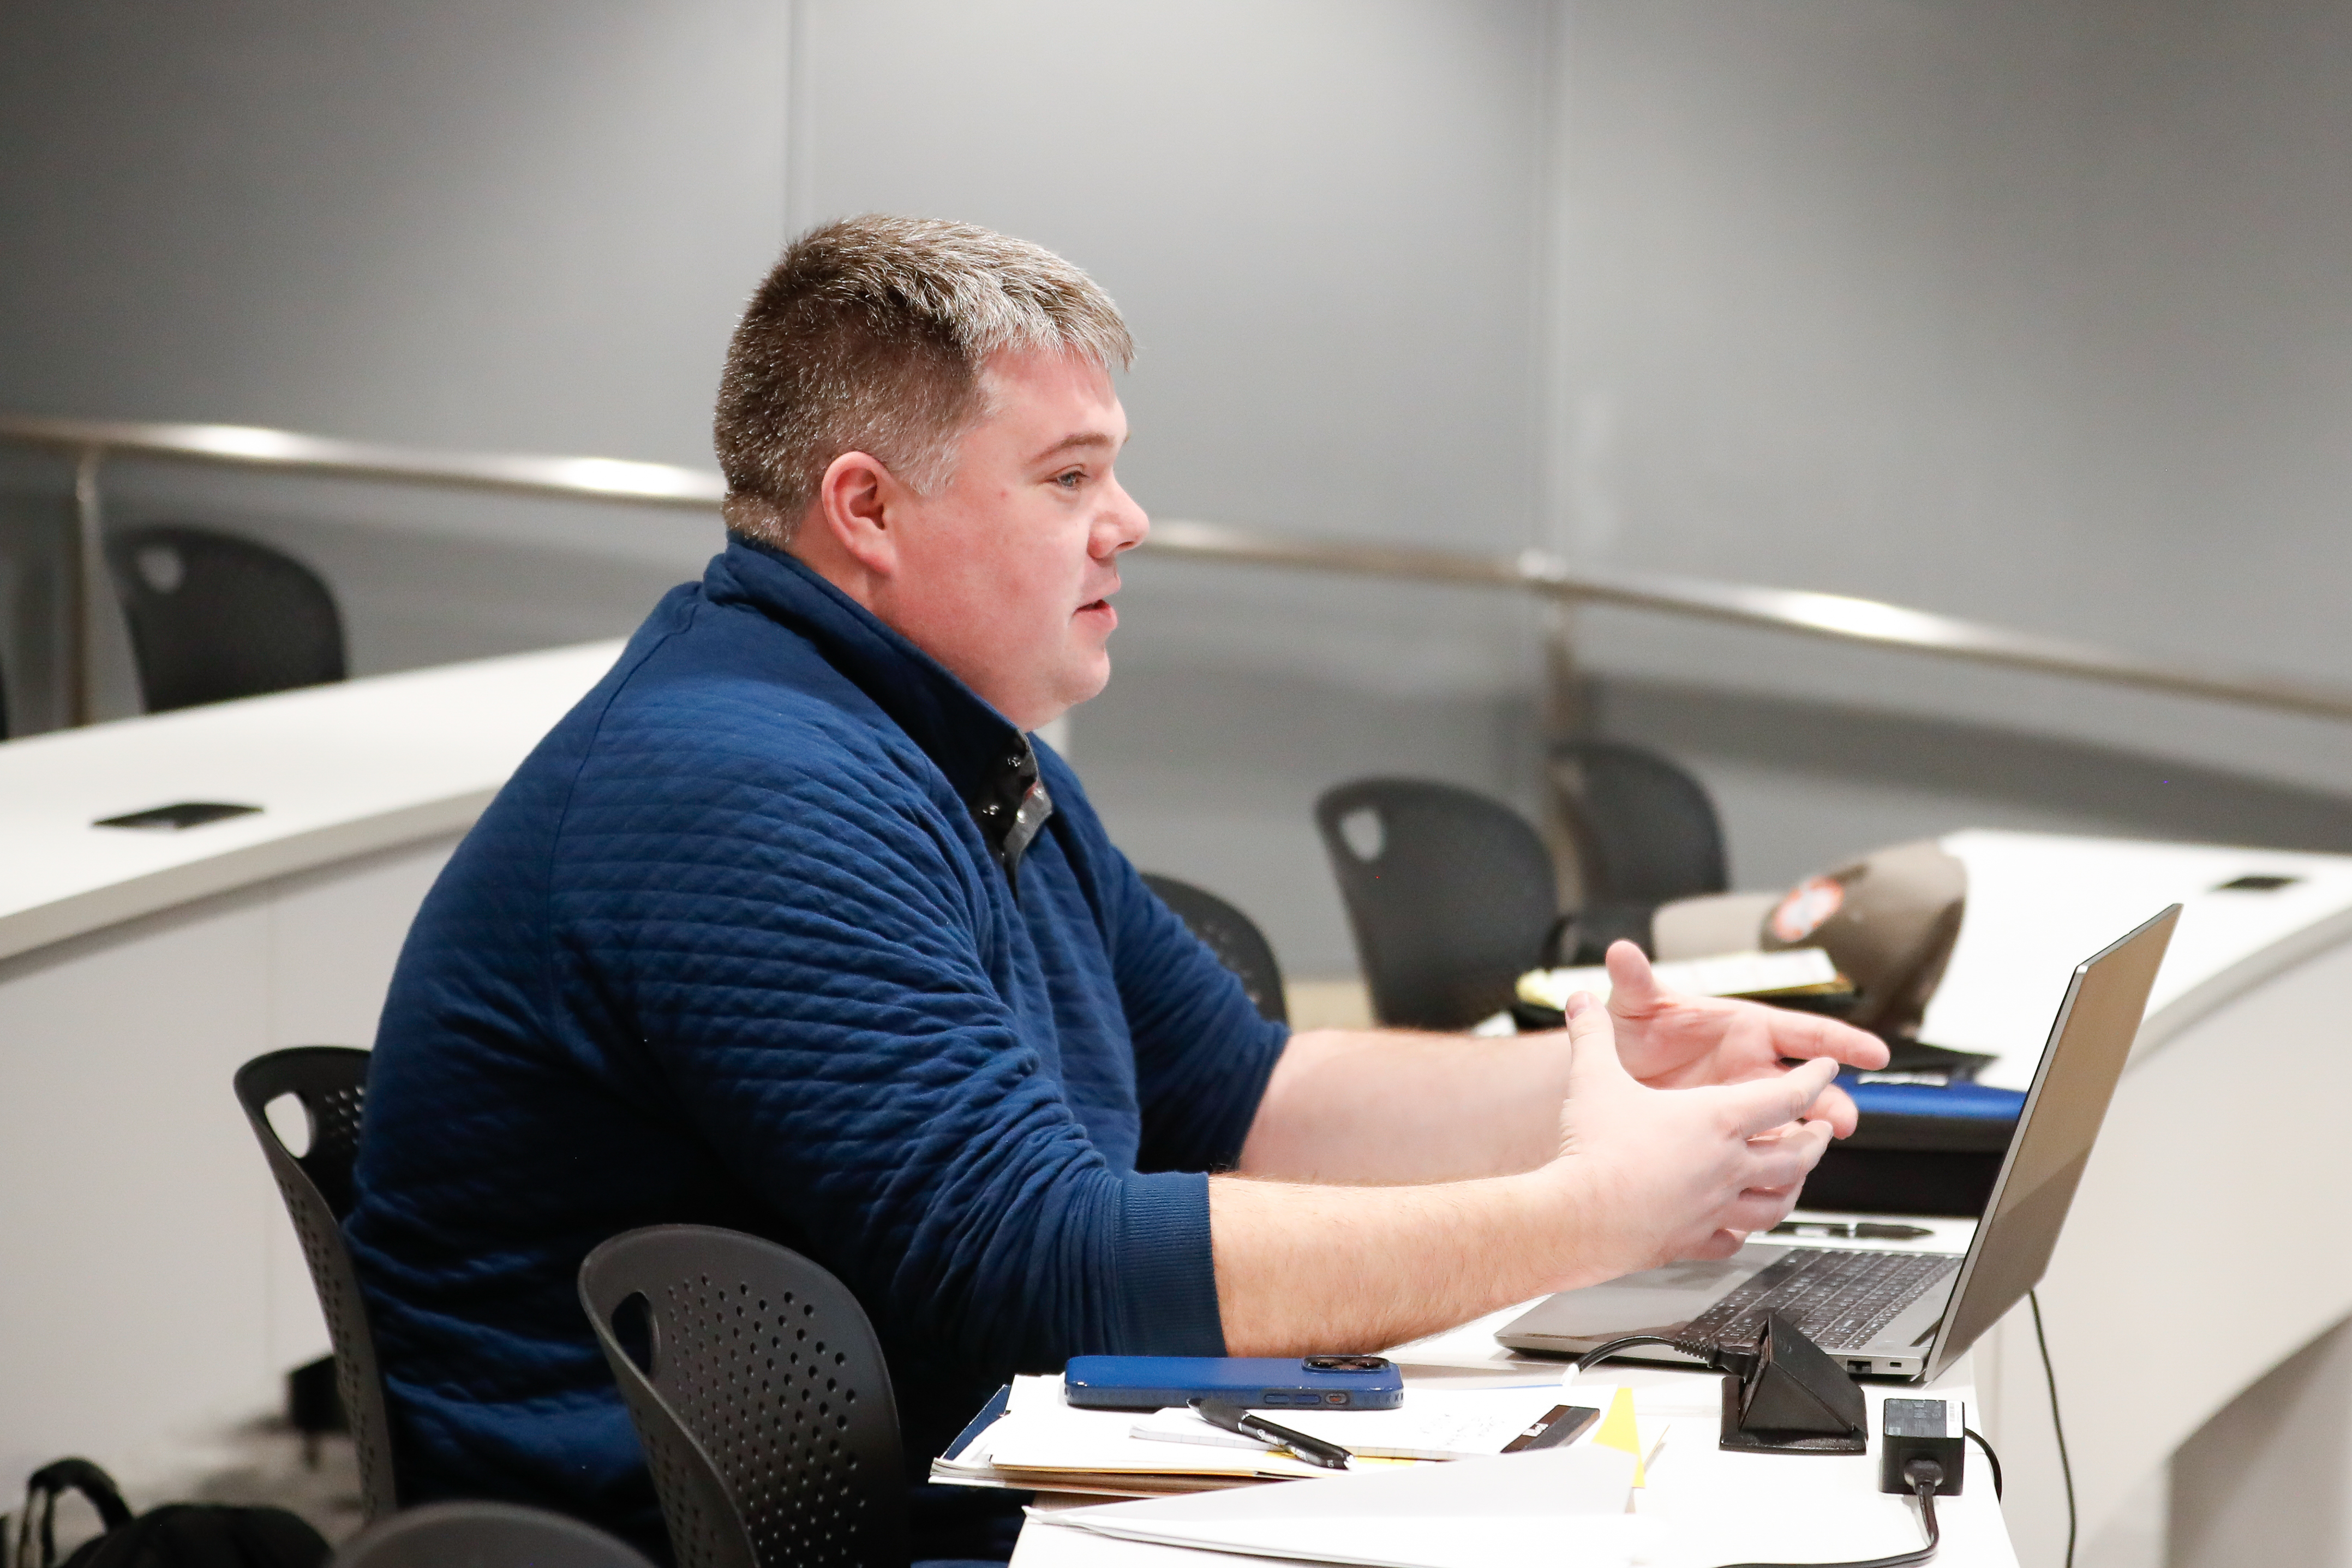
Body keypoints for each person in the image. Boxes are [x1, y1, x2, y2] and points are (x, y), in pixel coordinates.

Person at [347, 214, 1888, 1564]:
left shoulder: (956, 744)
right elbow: (1055, 1267)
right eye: (1068, 474)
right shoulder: (735, 784)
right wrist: (1590, 1208)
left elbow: (1247, 1089)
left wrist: (1592, 1077)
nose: (1128, 520)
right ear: (867, 511)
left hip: (954, 1478)